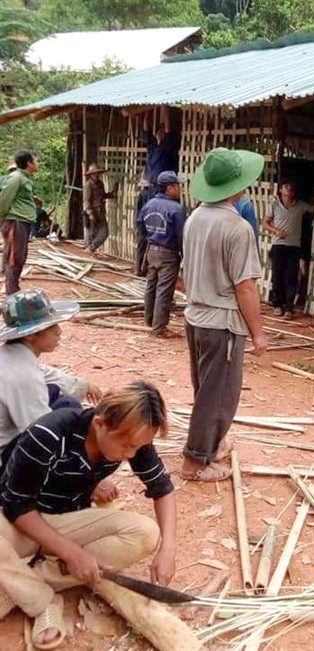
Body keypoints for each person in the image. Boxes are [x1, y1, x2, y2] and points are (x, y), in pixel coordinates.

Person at [0, 381, 176, 649]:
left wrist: (168, 549)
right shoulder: (50, 434)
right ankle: (42, 601)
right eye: (126, 446)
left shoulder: (133, 439)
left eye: (137, 448)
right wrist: (72, 553)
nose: (130, 455)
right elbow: (16, 506)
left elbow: (162, 488)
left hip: (68, 520)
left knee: (146, 534)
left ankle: (26, 579)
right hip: (18, 523)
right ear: (100, 423)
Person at [181, 148, 268, 482]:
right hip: (223, 324)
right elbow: (245, 287)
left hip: (196, 316)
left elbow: (186, 270)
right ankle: (194, 461)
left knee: (205, 388)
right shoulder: (238, 228)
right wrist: (257, 332)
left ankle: (212, 444)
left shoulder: (194, 219)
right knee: (219, 394)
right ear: (238, 186)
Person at [0, 289, 102, 467]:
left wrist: (83, 385)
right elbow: (39, 434)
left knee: (59, 395)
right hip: (5, 456)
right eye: (51, 326)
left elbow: (47, 373)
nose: (59, 331)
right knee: (69, 412)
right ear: (31, 334)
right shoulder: (24, 376)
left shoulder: (10, 356)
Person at [137, 172, 187, 338]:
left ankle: (149, 320)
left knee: (151, 286)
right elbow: (182, 236)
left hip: (152, 250)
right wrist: (184, 256)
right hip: (168, 252)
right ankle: (159, 328)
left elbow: (140, 226)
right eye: (177, 185)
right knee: (164, 290)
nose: (180, 189)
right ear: (169, 187)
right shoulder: (176, 209)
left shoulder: (149, 204)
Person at [263, 180, 313, 320]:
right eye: (286, 187)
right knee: (277, 276)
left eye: (291, 187)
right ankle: (278, 305)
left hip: (294, 247)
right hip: (278, 245)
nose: (289, 189)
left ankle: (289, 307)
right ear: (280, 190)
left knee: (291, 277)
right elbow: (265, 223)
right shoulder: (274, 205)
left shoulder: (300, 206)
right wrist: (276, 230)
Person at [0, 150, 39, 295]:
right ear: (29, 163)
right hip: (15, 222)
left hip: (23, 222)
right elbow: (4, 199)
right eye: (36, 160)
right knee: (14, 259)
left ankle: (14, 290)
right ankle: (12, 294)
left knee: (20, 257)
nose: (37, 163)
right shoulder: (16, 178)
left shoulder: (25, 178)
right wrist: (3, 219)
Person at [143, 107, 180, 194]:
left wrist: (165, 108)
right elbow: (146, 129)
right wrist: (147, 108)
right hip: (150, 187)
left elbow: (168, 130)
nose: (160, 131)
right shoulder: (153, 147)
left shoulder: (167, 147)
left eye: (162, 130)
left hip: (163, 188)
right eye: (159, 129)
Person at [83, 163, 117, 254]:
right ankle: (89, 250)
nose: (96, 175)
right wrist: (90, 214)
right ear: (91, 175)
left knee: (104, 233)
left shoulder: (101, 184)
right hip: (92, 213)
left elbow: (102, 196)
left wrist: (110, 194)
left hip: (101, 212)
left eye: (97, 173)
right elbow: (86, 201)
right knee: (91, 233)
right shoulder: (88, 185)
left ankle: (91, 248)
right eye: (94, 173)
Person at [135, 175, 151, 277]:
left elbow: (137, 212)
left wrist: (137, 224)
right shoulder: (150, 194)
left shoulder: (142, 194)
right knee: (147, 247)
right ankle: (142, 269)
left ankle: (140, 269)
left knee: (142, 247)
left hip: (142, 223)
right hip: (147, 223)